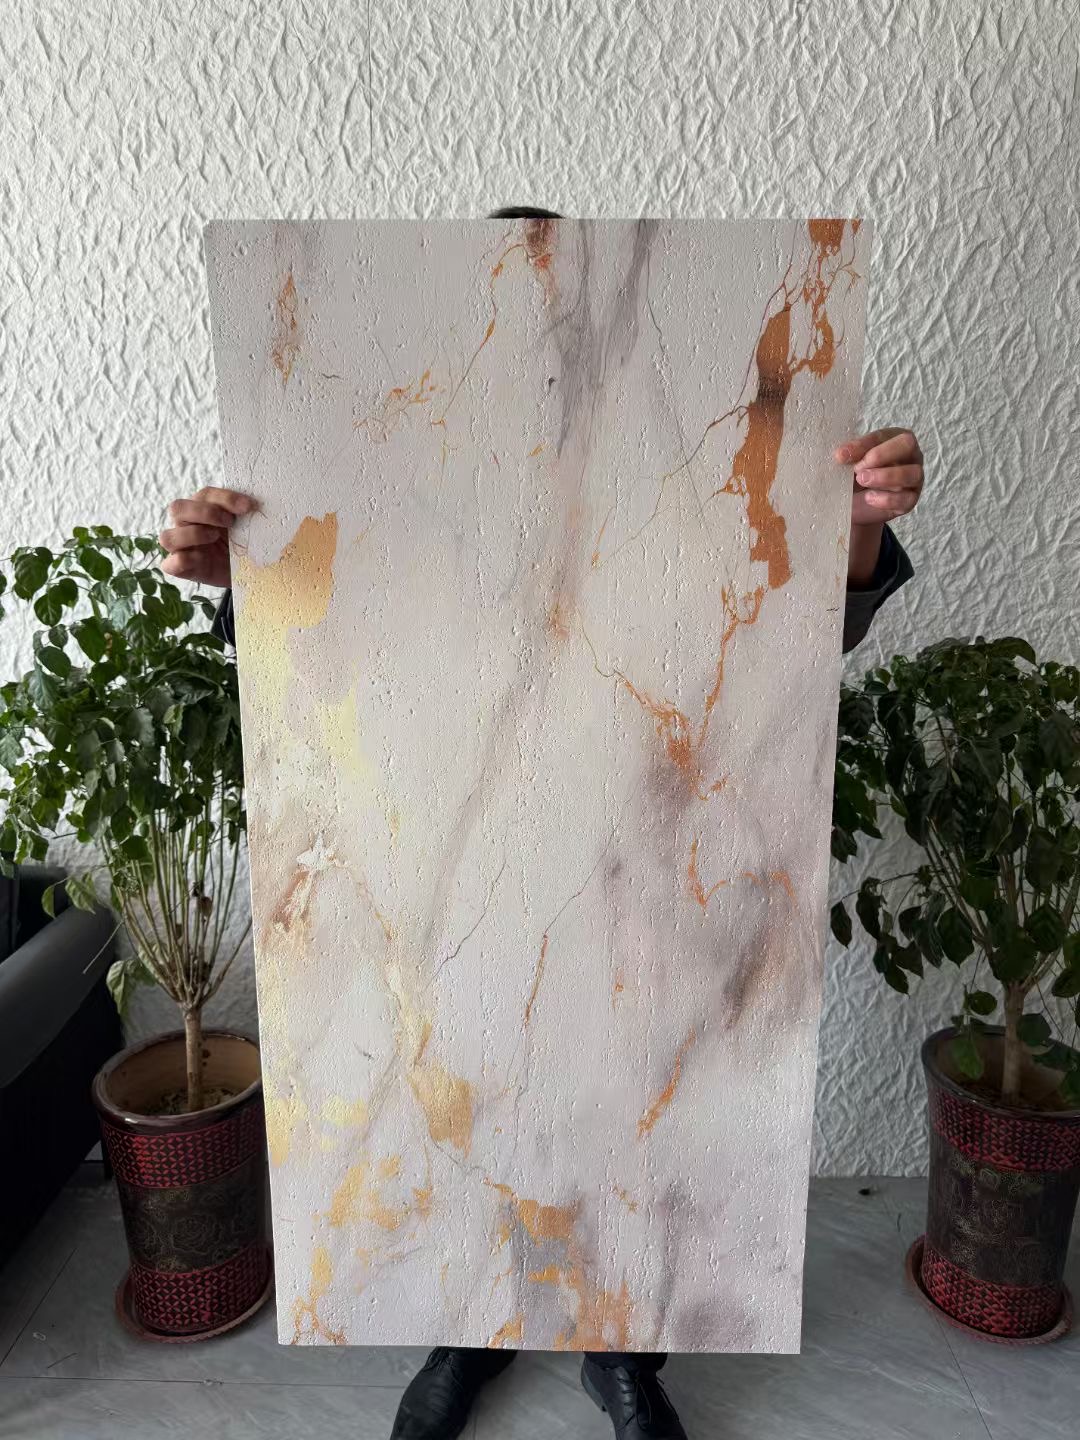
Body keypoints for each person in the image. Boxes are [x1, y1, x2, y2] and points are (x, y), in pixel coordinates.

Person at [163, 210, 923, 1440]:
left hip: (638, 846)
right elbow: (342, 669)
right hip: (449, 841)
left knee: (623, 1083)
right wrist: (240, 582)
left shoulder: (669, 468)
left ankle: (622, 1344)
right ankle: (467, 1324)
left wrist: (860, 526)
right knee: (463, 1062)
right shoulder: (402, 473)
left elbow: (777, 657)